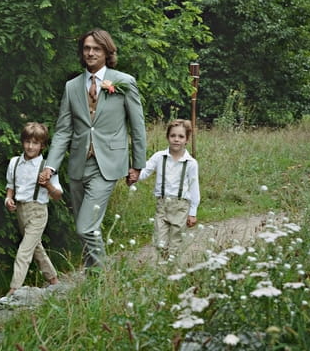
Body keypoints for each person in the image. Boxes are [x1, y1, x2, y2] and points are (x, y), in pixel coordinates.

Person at [41, 28, 147, 270]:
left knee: (85, 227)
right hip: (78, 164)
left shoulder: (123, 82)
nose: (90, 53)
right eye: (86, 48)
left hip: (108, 163)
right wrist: (50, 165)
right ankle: (94, 282)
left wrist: (137, 165)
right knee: (86, 227)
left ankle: (103, 276)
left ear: (107, 52)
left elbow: (137, 126)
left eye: (96, 49)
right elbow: (64, 130)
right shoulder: (71, 87)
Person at [4, 122, 62, 296]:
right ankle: (54, 280)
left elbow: (58, 195)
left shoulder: (46, 167)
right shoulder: (15, 163)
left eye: (35, 143)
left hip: (38, 211)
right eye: (28, 142)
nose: (30, 146)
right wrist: (8, 199)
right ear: (23, 142)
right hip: (21, 211)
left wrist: (48, 185)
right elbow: (10, 186)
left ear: (42, 145)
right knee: (36, 247)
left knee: (24, 251)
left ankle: (13, 291)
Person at [137, 119, 200, 260]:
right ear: (167, 137)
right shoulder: (159, 157)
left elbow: (194, 187)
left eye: (181, 137)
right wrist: (133, 175)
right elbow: (144, 172)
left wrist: (193, 212)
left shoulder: (191, 163)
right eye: (173, 136)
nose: (176, 140)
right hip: (162, 205)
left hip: (181, 206)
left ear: (187, 140)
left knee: (175, 243)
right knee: (159, 242)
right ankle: (163, 266)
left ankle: (171, 270)